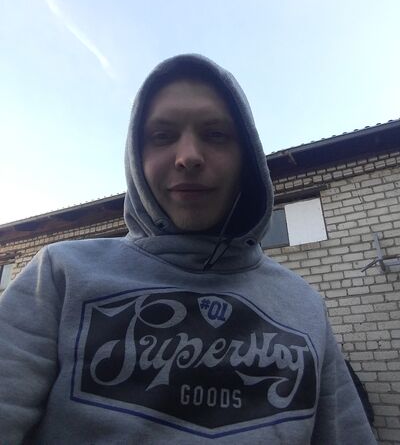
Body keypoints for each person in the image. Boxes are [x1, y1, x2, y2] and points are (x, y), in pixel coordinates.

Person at [0, 54, 376, 444]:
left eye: (216, 135)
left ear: (246, 158)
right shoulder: (60, 276)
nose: (188, 157)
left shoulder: (304, 306)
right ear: (136, 157)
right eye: (162, 136)